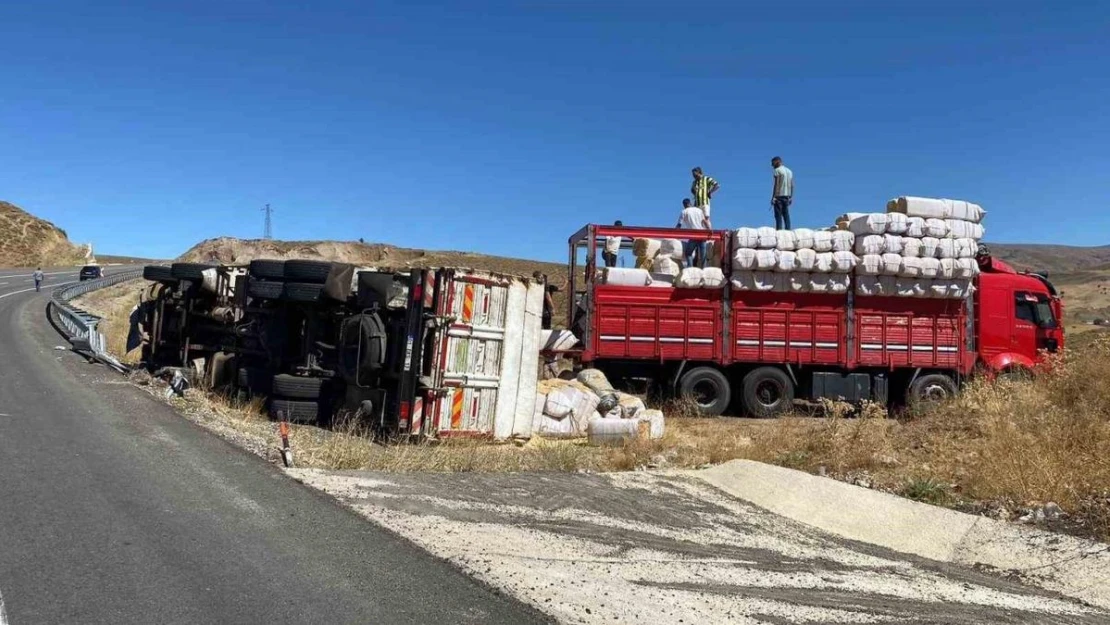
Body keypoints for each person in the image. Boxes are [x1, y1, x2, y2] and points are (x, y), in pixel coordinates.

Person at [675, 199, 711, 268]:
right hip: (702, 234)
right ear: (690, 203)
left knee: (688, 253)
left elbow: (679, 225)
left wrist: (673, 234)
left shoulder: (684, 212)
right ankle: (704, 271)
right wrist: (709, 229)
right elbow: (705, 221)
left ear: (684, 205)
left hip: (693, 235)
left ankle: (690, 269)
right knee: (703, 256)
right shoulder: (698, 210)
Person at [771, 156, 794, 230]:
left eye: (773, 163)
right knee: (786, 215)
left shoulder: (777, 170)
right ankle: (788, 230)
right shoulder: (789, 171)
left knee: (778, 216)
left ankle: (779, 232)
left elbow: (776, 184)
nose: (772, 165)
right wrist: (791, 197)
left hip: (779, 196)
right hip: (787, 196)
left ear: (777, 162)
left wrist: (773, 197)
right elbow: (792, 185)